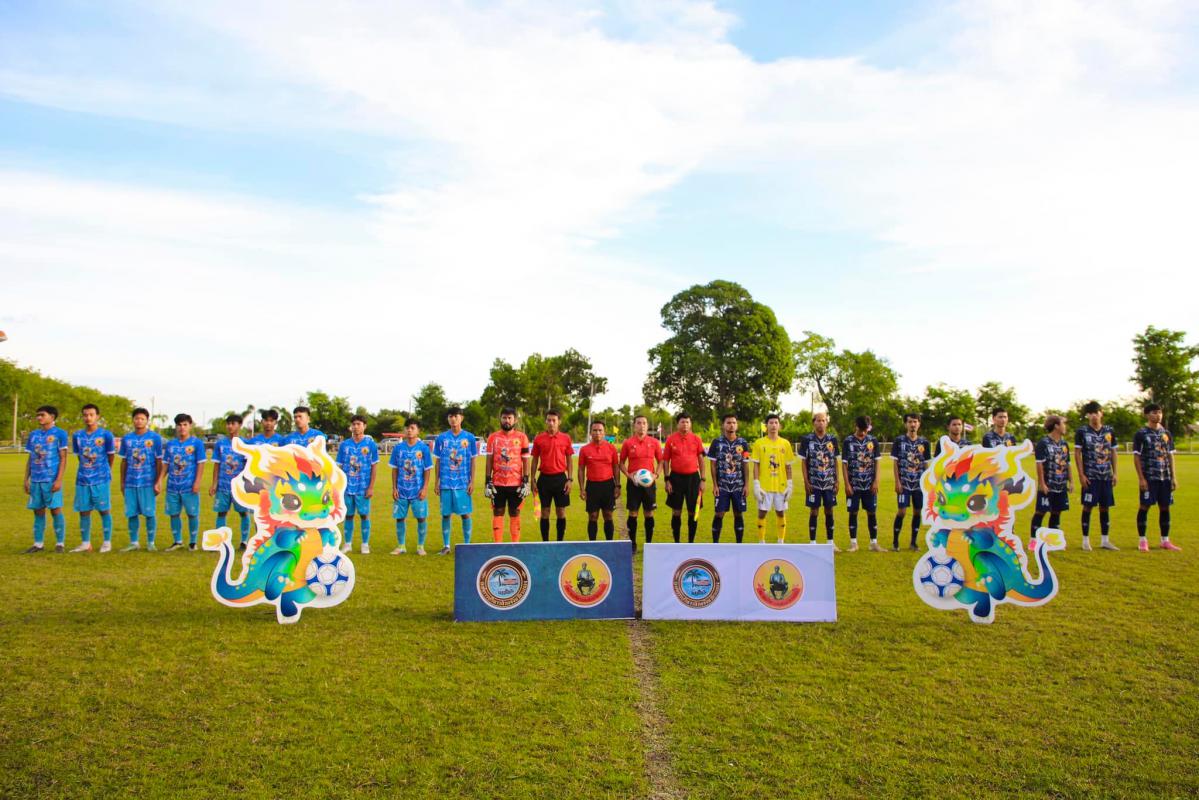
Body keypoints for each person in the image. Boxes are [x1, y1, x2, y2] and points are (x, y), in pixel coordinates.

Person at [1133, 402, 1181, 552]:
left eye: (1159, 412)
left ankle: (1165, 541)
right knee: (1145, 506)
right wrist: (1141, 478)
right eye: (1154, 412)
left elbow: (1170, 456)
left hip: (1164, 477)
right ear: (1147, 415)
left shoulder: (1166, 433)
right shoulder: (1141, 434)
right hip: (1149, 477)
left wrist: (1173, 477)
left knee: (1165, 507)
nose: (1158, 415)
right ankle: (1142, 540)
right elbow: (1136, 457)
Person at [23, 405, 69, 553]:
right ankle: (38, 544)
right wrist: (26, 479)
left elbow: (63, 458)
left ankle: (60, 543)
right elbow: (30, 458)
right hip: (36, 480)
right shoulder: (34, 435)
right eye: (38, 415)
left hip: (51, 479)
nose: (39, 417)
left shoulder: (60, 434)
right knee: (38, 511)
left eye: (42, 415)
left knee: (55, 510)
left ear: (52, 416)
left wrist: (59, 480)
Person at [1074, 401, 1119, 551]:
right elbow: (1077, 453)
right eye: (1091, 413)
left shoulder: (1109, 431)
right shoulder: (1082, 431)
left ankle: (1105, 540)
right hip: (1090, 477)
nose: (1094, 415)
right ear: (1088, 415)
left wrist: (1115, 473)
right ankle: (1085, 540)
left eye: (1096, 412)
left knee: (1105, 507)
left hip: (1106, 476)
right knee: (1088, 507)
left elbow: (1113, 452)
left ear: (1101, 413)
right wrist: (1081, 474)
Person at [70, 403, 116, 552]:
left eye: (91, 415)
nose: (88, 418)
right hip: (83, 479)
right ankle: (85, 543)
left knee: (104, 510)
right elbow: (79, 457)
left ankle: (107, 543)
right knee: (84, 511)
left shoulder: (106, 435)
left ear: (97, 416)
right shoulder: (77, 435)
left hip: (101, 479)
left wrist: (105, 471)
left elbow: (111, 456)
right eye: (85, 415)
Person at [118, 407, 164, 551]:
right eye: (137, 418)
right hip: (131, 482)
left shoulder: (155, 438)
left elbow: (159, 461)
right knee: (131, 513)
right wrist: (122, 482)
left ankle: (151, 543)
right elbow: (124, 461)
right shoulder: (127, 439)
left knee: (149, 513)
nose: (139, 421)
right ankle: (134, 542)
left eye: (142, 419)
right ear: (133, 420)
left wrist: (158, 481)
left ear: (147, 421)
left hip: (147, 482)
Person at [433, 407, 477, 553]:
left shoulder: (469, 438)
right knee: (446, 514)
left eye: (456, 416)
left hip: (463, 483)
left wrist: (472, 481)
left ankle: (467, 545)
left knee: (465, 514)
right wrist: (436, 482)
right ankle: (446, 546)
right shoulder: (441, 438)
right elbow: (438, 461)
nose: (453, 419)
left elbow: (473, 461)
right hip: (446, 483)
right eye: (450, 416)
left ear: (461, 418)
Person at [162, 413, 207, 551]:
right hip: (172, 486)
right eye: (179, 425)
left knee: (192, 514)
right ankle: (177, 541)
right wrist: (159, 480)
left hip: (189, 485)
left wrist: (197, 482)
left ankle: (193, 542)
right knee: (174, 514)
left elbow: (201, 463)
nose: (182, 428)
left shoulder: (197, 443)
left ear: (190, 426)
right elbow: (166, 464)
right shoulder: (171, 444)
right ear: (176, 427)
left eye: (185, 425)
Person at [485, 408, 530, 543]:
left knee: (514, 512)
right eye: (504, 417)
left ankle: (515, 544)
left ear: (515, 420)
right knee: (498, 511)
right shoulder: (493, 437)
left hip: (515, 483)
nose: (507, 420)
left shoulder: (522, 437)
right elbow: (489, 460)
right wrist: (487, 480)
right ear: (500, 419)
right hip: (497, 482)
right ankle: (497, 544)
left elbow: (526, 460)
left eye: (509, 418)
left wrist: (526, 480)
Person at [336, 414, 379, 553]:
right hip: (347, 487)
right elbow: (339, 467)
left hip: (363, 487)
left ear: (364, 426)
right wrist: (338, 487)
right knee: (348, 515)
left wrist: (371, 487)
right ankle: (347, 544)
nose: (355, 427)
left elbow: (374, 466)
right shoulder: (344, 445)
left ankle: (365, 544)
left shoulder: (370, 444)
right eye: (353, 424)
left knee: (364, 515)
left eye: (358, 424)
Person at [619, 415, 663, 551]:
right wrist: (628, 475)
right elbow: (621, 463)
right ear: (634, 426)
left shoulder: (654, 442)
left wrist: (656, 475)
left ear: (647, 426)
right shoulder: (628, 443)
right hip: (634, 484)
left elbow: (661, 461)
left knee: (649, 513)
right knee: (633, 513)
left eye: (644, 423)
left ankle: (648, 544)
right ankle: (632, 544)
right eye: (639, 423)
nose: (642, 426)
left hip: (649, 484)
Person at [390, 418, 433, 555]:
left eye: (412, 428)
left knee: (421, 518)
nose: (409, 430)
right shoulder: (398, 448)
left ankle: (420, 546)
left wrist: (425, 488)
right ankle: (401, 546)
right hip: (401, 490)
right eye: (407, 428)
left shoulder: (423, 448)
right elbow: (394, 469)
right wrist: (394, 488)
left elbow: (427, 470)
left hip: (417, 490)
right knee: (400, 518)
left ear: (418, 431)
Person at [530, 409, 573, 542]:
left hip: (561, 479)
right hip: (544, 479)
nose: (551, 423)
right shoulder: (539, 438)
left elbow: (569, 460)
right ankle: (545, 542)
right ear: (546, 421)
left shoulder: (566, 438)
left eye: (554, 420)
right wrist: (532, 479)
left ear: (559, 422)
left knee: (561, 511)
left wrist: (570, 479)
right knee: (545, 512)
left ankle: (560, 541)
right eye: (549, 420)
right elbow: (535, 459)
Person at [210, 413, 252, 550]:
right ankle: (220, 541)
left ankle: (244, 541)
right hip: (223, 485)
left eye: (233, 423)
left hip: (239, 486)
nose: (230, 426)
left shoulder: (245, 444)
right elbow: (217, 464)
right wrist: (214, 484)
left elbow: (248, 466)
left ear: (239, 425)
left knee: (243, 513)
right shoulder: (220, 444)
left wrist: (247, 484)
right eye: (228, 423)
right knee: (221, 512)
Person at [798, 411, 839, 550]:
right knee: (814, 511)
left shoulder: (832, 439)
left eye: (823, 420)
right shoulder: (807, 439)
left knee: (829, 510)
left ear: (826, 423)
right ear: (813, 423)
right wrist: (806, 481)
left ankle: (830, 542)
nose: (821, 423)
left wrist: (837, 480)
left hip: (829, 482)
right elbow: (803, 462)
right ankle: (813, 543)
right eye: (818, 420)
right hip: (814, 483)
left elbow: (835, 461)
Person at [1030, 414, 1072, 550]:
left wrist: (1071, 481)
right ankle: (1033, 541)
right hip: (1048, 484)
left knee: (1057, 511)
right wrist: (1042, 483)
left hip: (1061, 485)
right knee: (1041, 511)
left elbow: (1068, 463)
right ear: (1056, 426)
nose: (1065, 427)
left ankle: (1052, 541)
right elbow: (1039, 464)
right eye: (1063, 424)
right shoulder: (1043, 443)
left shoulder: (1064, 444)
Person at [663, 412, 705, 543]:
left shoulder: (696, 439)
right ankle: (677, 542)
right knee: (676, 511)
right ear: (678, 424)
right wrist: (667, 480)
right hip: (675, 478)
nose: (685, 424)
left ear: (690, 424)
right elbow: (666, 460)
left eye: (687, 422)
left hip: (693, 479)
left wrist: (703, 479)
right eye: (682, 422)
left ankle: (691, 542)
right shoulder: (671, 439)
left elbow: (701, 460)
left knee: (693, 511)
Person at [891, 413, 931, 551]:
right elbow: (895, 463)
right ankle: (895, 542)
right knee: (902, 511)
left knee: (917, 512)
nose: (912, 424)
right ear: (905, 424)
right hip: (904, 483)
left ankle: (913, 543)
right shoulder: (899, 441)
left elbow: (926, 464)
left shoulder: (924, 442)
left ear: (919, 424)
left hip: (919, 484)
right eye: (910, 422)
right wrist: (897, 481)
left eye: (915, 422)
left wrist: (927, 483)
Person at [750, 414, 793, 543]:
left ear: (779, 426)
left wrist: (790, 485)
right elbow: (756, 465)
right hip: (765, 486)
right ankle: (761, 541)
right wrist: (756, 484)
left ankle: (781, 541)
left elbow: (788, 466)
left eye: (776, 423)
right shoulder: (759, 443)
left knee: (780, 512)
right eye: (771, 423)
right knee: (762, 513)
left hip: (781, 486)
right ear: (766, 426)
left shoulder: (785, 443)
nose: (773, 425)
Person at [708, 413, 751, 543]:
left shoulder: (743, 443)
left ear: (737, 425)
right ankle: (715, 543)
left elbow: (745, 465)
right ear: (723, 425)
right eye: (728, 422)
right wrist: (715, 485)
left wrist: (746, 485)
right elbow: (713, 465)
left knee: (738, 513)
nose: (731, 425)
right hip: (722, 486)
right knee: (719, 513)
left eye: (733, 422)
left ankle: (739, 544)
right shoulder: (716, 442)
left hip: (738, 486)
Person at [842, 415, 882, 552]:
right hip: (854, 484)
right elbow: (844, 464)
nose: (864, 433)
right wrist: (847, 484)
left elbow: (877, 462)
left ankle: (873, 543)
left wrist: (876, 481)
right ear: (856, 427)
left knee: (872, 512)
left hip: (869, 484)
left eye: (866, 430)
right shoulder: (848, 441)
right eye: (861, 430)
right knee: (853, 512)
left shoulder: (873, 441)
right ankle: (853, 543)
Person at [578, 420, 621, 541]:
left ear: (604, 432)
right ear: (590, 432)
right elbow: (581, 469)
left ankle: (609, 543)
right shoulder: (584, 449)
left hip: (608, 485)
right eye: (595, 430)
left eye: (600, 430)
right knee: (593, 516)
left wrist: (617, 485)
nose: (597, 433)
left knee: (608, 515)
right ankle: (593, 544)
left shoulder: (611, 448)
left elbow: (616, 467)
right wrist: (582, 489)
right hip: (592, 486)